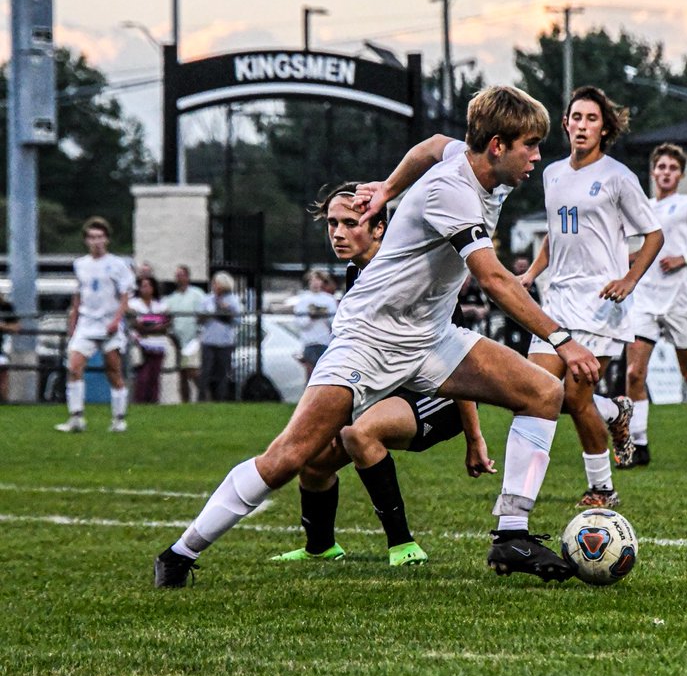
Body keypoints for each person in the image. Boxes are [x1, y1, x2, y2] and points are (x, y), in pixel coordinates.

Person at [153, 84, 600, 589]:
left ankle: (511, 534)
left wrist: (387, 188)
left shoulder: (473, 163)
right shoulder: (451, 191)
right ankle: (179, 554)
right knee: (290, 457)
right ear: (497, 145)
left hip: (430, 338)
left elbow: (432, 144)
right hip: (369, 339)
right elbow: (495, 280)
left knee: (542, 392)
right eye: (531, 145)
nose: (538, 157)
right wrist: (563, 340)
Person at [273, 181, 495, 566]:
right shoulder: (355, 273)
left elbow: (461, 360)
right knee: (312, 456)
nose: (338, 233)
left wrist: (474, 437)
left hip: (439, 397)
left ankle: (403, 545)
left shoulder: (412, 274)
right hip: (388, 390)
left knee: (359, 433)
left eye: (350, 223)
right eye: (332, 223)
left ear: (379, 228)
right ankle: (320, 546)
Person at [521, 85, 664, 508]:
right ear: (565, 124)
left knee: (575, 396)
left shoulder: (618, 177)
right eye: (577, 118)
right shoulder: (552, 174)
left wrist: (629, 280)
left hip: (602, 305)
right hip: (557, 302)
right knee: (536, 392)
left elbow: (654, 235)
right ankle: (615, 411)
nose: (583, 126)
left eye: (592, 119)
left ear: (604, 128)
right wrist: (530, 273)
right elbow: (555, 232)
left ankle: (602, 487)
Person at [621, 143, 687, 470]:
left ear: (680, 175)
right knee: (634, 373)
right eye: (661, 167)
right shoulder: (645, 207)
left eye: (672, 168)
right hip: (645, 301)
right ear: (653, 172)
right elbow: (646, 252)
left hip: (679, 302)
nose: (666, 172)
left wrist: (685, 258)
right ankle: (639, 445)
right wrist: (622, 261)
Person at [55, 216, 135, 433]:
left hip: (109, 325)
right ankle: (76, 417)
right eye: (92, 237)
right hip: (87, 324)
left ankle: (119, 419)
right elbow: (78, 296)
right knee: (74, 367)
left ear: (106, 239)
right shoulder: (80, 264)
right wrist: (73, 323)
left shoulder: (117, 264)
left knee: (113, 371)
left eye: (100, 237)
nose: (96, 241)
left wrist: (117, 320)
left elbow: (125, 296)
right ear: (86, 240)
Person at [164, 265, 206, 402]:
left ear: (187, 277)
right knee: (182, 373)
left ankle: (205, 397)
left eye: (181, 275)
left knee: (193, 371)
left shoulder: (197, 294)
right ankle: (185, 401)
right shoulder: (170, 298)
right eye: (177, 275)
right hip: (178, 341)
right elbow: (167, 318)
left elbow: (203, 313)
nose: (179, 278)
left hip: (194, 340)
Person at [198, 272, 242, 401]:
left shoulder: (233, 300)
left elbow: (237, 320)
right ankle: (202, 398)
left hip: (225, 342)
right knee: (206, 371)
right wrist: (208, 314)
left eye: (216, 283)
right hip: (208, 341)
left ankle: (220, 398)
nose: (214, 286)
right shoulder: (207, 299)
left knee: (222, 373)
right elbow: (199, 318)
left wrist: (225, 310)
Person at [129, 275, 170, 404]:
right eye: (143, 286)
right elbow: (136, 324)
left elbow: (166, 323)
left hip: (158, 344)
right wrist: (154, 326)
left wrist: (149, 326)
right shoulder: (134, 304)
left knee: (155, 376)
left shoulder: (160, 304)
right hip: (141, 344)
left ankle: (153, 401)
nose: (145, 289)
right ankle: (140, 401)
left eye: (148, 286)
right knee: (143, 376)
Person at [294, 269, 339, 384]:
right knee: (310, 374)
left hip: (324, 342)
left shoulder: (329, 299)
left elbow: (334, 322)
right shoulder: (303, 299)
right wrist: (311, 317)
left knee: (324, 375)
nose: (315, 283)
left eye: (318, 280)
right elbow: (300, 323)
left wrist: (324, 314)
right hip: (309, 342)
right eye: (312, 280)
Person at [0, 293, 20, 403]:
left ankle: (4, 402)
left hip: (1, 349)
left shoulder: (5, 306)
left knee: (3, 376)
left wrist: (2, 326)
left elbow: (16, 327)